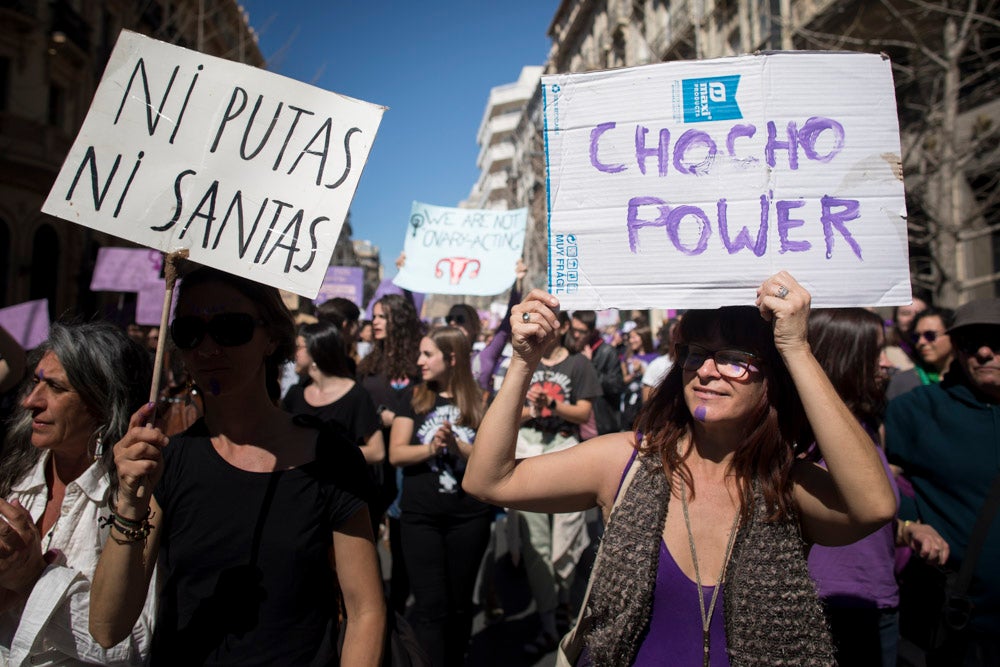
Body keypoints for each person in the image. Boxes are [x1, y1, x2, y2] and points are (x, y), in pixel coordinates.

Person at [463, 272, 896, 666]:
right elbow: (489, 480)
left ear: (771, 378)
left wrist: (797, 349)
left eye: (734, 358)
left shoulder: (786, 483)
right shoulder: (627, 461)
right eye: (696, 354)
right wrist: (524, 362)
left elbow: (874, 507)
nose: (706, 371)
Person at [88, 265, 385, 666]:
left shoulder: (330, 457)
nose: (208, 348)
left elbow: (364, 610)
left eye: (231, 328)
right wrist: (129, 505)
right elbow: (107, 628)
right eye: (190, 331)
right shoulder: (164, 462)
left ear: (271, 337)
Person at [0, 321, 156, 666]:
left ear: (102, 403)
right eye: (36, 381)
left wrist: (31, 580)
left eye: (55, 387)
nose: (30, 401)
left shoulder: (134, 502)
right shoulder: (15, 479)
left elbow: (131, 646)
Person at [805, 308, 948, 667]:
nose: (885, 363)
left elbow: (863, 517)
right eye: (874, 352)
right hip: (828, 610)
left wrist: (907, 530)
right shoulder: (800, 440)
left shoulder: (868, 427)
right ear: (843, 355)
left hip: (878, 602)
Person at [885, 297, 1000, 666]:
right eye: (970, 342)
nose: (983, 352)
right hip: (963, 628)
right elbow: (882, 482)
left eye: (996, 340)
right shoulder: (916, 410)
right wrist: (911, 523)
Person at [388, 326, 491, 666]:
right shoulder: (414, 396)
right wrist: (431, 448)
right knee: (431, 607)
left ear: (452, 358)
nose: (419, 361)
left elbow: (492, 459)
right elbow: (396, 454)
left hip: (468, 518)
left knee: (460, 605)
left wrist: (457, 446)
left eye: (427, 354)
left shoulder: (481, 400)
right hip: (421, 519)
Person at [509, 310, 601, 656]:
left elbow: (584, 413)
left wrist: (554, 406)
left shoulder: (578, 365)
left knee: (567, 536)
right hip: (528, 449)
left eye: (551, 325)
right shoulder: (523, 361)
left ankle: (564, 603)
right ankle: (549, 621)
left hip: (564, 449)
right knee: (536, 545)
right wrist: (533, 411)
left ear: (561, 327)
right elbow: (507, 410)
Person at [356, 292, 424, 615]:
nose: (375, 322)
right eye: (375, 317)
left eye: (382, 316)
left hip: (402, 464)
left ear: (399, 320)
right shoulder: (369, 362)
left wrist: (396, 419)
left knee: (400, 545)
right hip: (372, 463)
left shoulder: (416, 364)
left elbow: (423, 410)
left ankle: (397, 609)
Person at [282, 320, 385, 464]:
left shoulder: (356, 395)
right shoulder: (295, 394)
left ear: (315, 350)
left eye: (298, 347)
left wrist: (327, 453)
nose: (294, 353)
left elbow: (377, 452)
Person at [567, 309, 625, 436]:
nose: (576, 335)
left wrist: (590, 367)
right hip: (576, 431)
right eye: (573, 330)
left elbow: (616, 386)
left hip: (602, 429)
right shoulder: (570, 351)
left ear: (592, 332)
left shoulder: (607, 352)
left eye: (582, 331)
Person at [887, 307, 954, 400]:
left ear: (952, 335)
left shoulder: (972, 378)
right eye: (916, 337)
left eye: (930, 335)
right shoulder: (903, 382)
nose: (921, 342)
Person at [620, 325, 657, 430]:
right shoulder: (626, 357)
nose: (631, 340)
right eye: (630, 337)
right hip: (630, 403)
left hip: (647, 402)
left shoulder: (655, 358)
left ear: (643, 337)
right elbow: (623, 379)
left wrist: (642, 370)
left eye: (634, 337)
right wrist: (634, 374)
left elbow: (656, 382)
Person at [884, 297, 929, 371]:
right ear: (895, 318)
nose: (912, 318)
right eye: (906, 313)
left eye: (919, 314)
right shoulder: (886, 351)